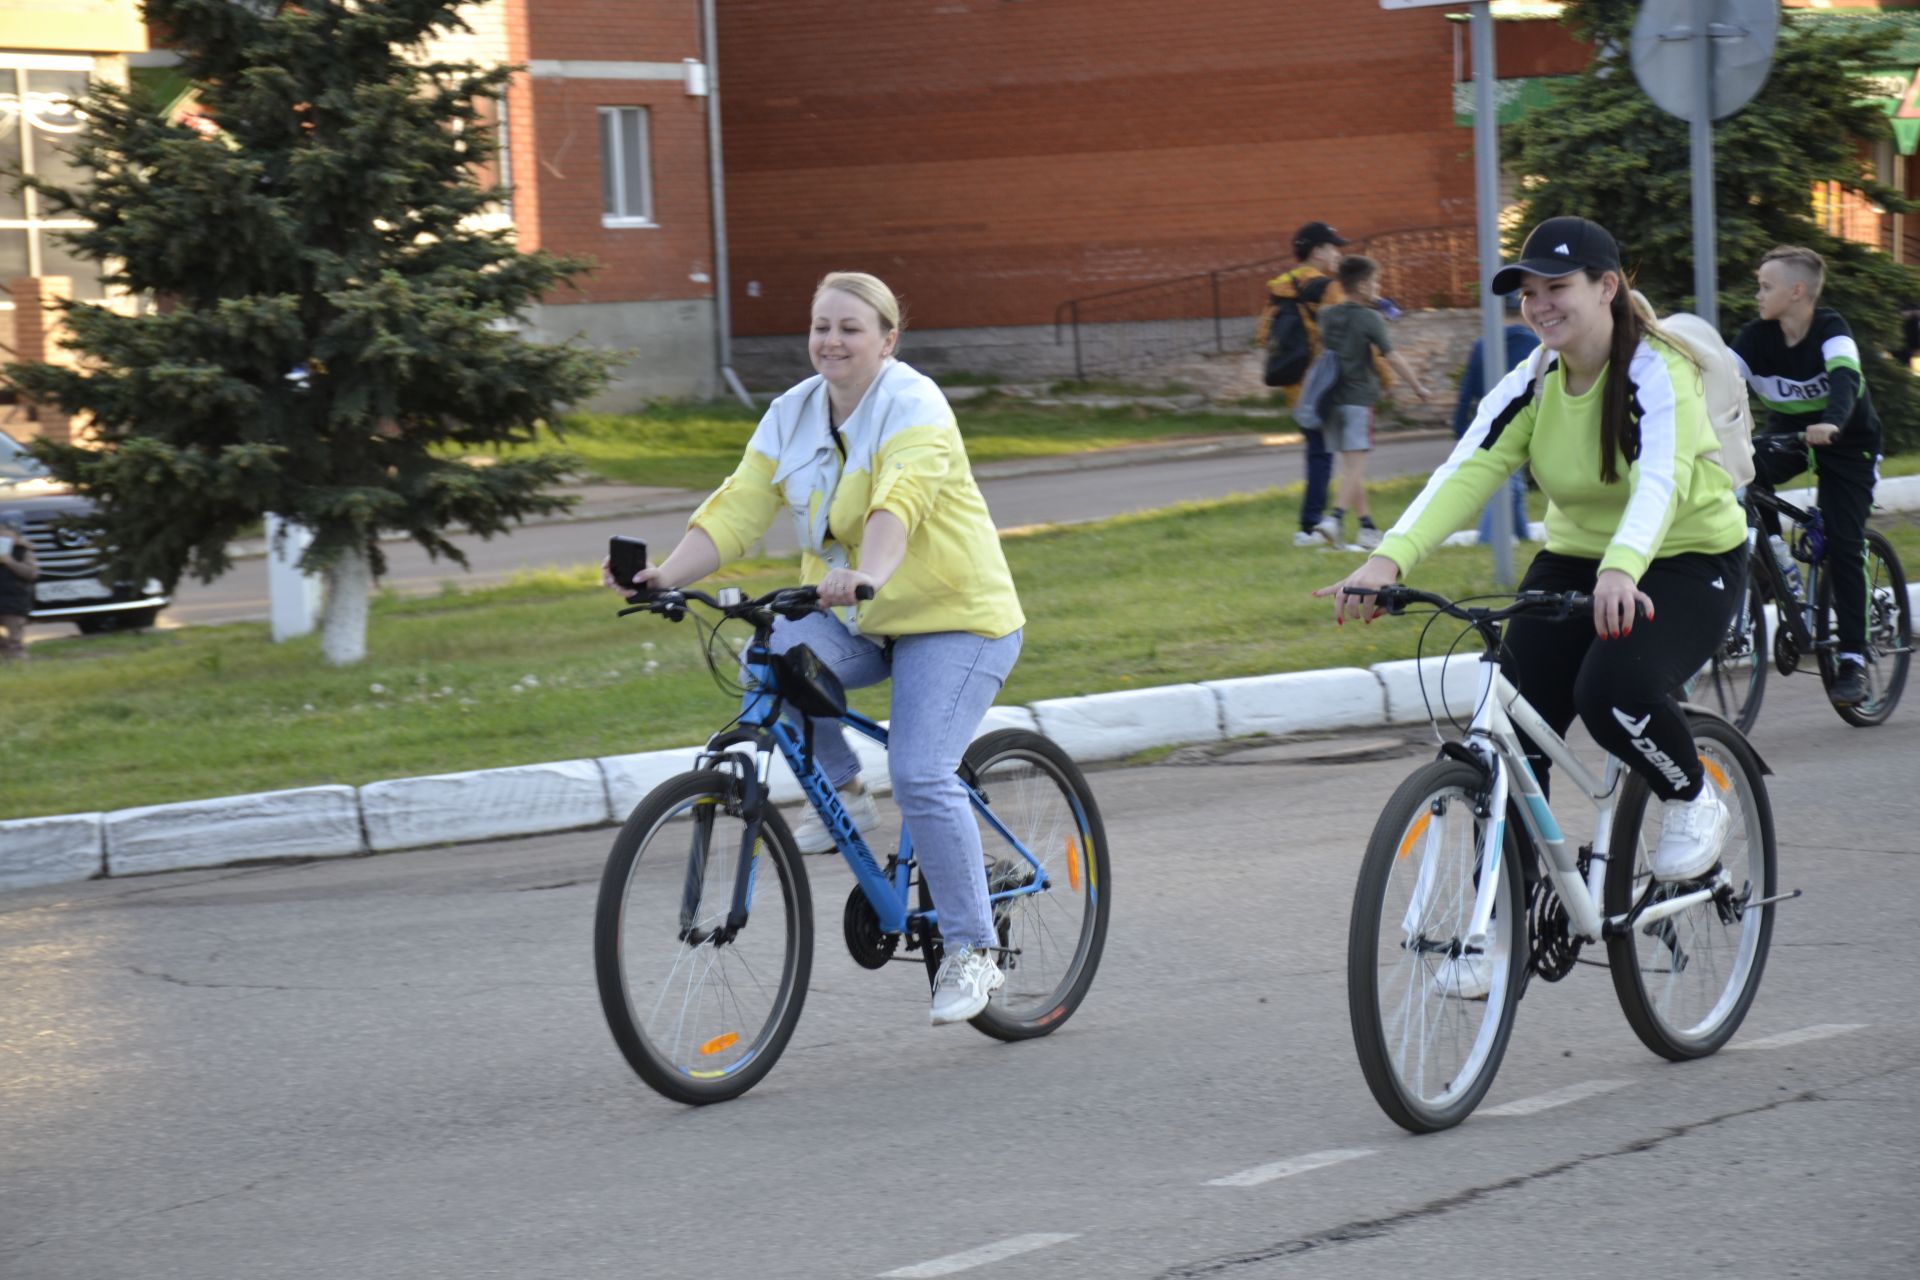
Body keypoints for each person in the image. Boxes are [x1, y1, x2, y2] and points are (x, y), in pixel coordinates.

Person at [1317, 217, 1750, 993]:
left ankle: (1693, 796)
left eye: (1558, 287)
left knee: (1610, 691)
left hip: (1687, 560)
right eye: (1528, 292)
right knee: (1511, 729)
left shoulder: (1658, 371)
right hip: (1581, 560)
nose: (1540, 305)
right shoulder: (1532, 380)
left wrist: (1624, 567)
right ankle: (1494, 934)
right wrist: (1385, 562)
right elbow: (1467, 470)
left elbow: (1661, 479)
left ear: (1607, 287)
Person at [604, 271, 1025, 1027]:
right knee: (766, 662)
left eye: (851, 328)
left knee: (921, 770)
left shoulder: (914, 403)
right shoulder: (791, 414)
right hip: (859, 617)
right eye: (820, 325)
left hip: (955, 618)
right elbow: (738, 508)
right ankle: (847, 803)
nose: (830, 340)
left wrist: (870, 572)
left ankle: (973, 949)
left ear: (888, 340)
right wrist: (663, 574)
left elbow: (903, 498)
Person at [1731, 245, 1881, 707]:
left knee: (1843, 542)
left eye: (1766, 286)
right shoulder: (1755, 338)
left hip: (1847, 441)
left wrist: (1833, 421)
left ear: (1797, 292)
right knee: (1741, 471)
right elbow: (1718, 385)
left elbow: (1845, 380)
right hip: (1791, 435)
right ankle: (1776, 564)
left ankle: (1854, 657)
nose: (1758, 294)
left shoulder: (1831, 330)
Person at [1315, 254, 1431, 549]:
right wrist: (1417, 386)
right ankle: (1334, 519)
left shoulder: (1326, 316)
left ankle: (1367, 528)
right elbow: (1391, 356)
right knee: (1356, 468)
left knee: (1350, 467)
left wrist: (1371, 300)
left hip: (1331, 400)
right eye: (1375, 281)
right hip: (1358, 400)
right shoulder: (1370, 318)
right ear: (1364, 284)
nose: (1379, 286)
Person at [1260, 221, 1353, 547]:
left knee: (1318, 451)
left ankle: (1314, 523)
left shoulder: (1280, 286)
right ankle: (1312, 525)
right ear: (1316, 251)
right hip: (1324, 385)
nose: (1337, 253)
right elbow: (1346, 330)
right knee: (1329, 454)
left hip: (1295, 386)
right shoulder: (1327, 287)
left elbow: (1263, 335)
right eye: (1332, 247)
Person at [1452, 292, 1539, 546]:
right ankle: (1504, 534)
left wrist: (1459, 427)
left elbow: (1467, 389)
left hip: (1489, 419)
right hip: (1524, 418)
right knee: (1509, 479)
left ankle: (1505, 535)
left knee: (1508, 479)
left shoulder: (1483, 344)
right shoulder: (1535, 344)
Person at [0, 512, 38, 663]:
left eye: (4, 530)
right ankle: (5, 649)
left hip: (15, 601)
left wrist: (10, 562)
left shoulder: (23, 551)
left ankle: (18, 662)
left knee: (15, 636)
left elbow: (31, 573)